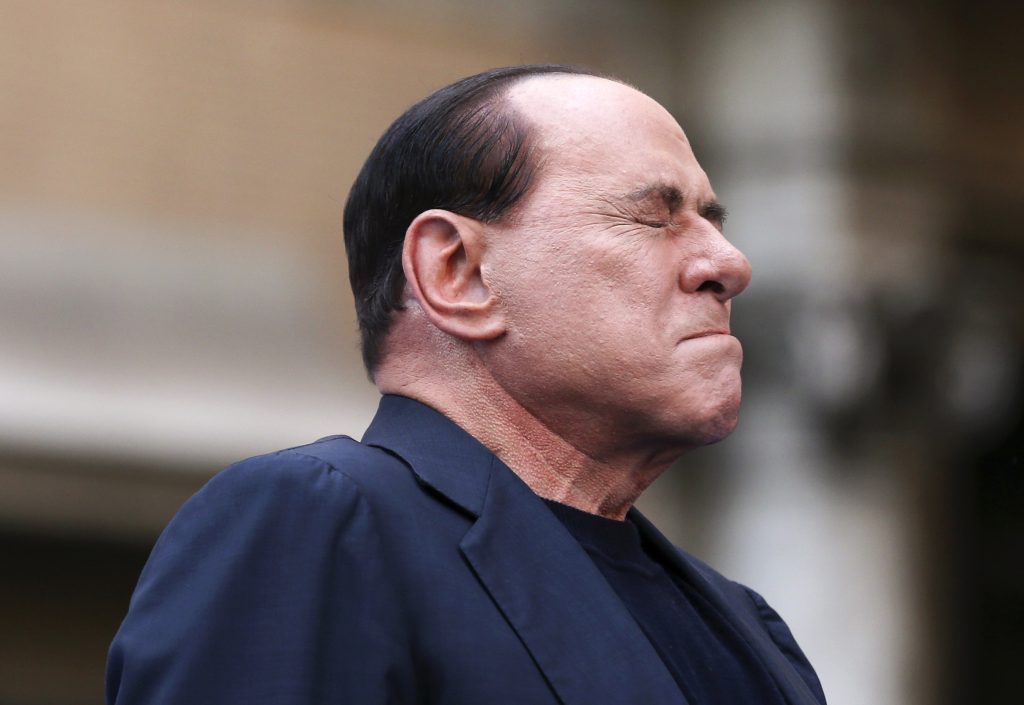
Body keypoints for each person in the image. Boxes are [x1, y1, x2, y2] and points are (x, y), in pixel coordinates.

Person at [107, 65, 827, 705]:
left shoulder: (748, 628)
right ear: (458, 273)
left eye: (711, 221)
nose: (729, 263)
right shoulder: (319, 524)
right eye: (653, 217)